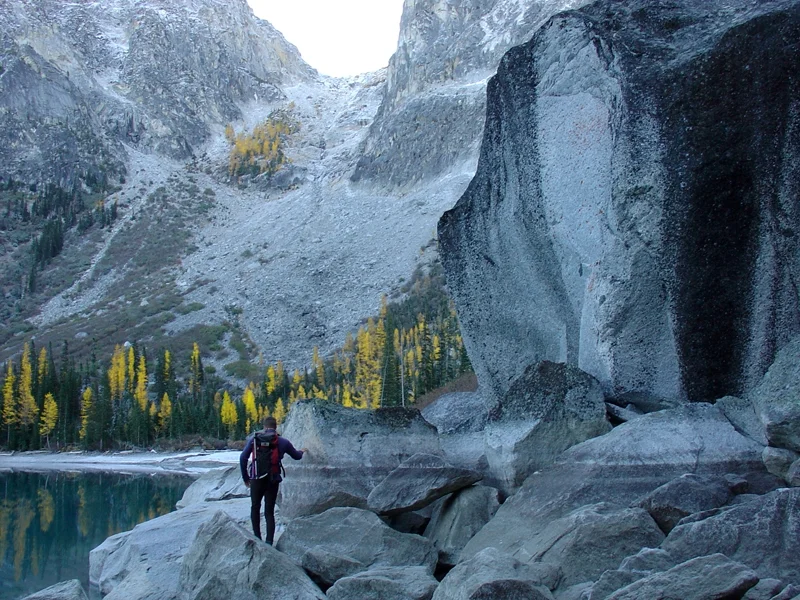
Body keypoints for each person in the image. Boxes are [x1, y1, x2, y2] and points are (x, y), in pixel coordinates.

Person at [239, 416, 306, 545]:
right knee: (269, 511)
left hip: (256, 478)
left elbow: (243, 458)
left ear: (264, 427)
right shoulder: (283, 442)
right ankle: (269, 542)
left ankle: (257, 538)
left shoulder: (254, 439)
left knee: (255, 507)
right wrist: (302, 451)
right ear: (276, 427)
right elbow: (297, 457)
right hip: (273, 479)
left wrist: (246, 477)